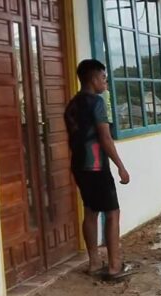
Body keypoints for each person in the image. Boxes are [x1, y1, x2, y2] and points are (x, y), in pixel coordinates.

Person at [64, 59, 133, 281]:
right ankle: (114, 266)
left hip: (79, 165)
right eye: (103, 77)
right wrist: (121, 166)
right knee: (112, 213)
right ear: (93, 78)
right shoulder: (96, 102)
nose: (105, 82)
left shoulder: (72, 105)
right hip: (95, 165)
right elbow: (105, 137)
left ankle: (94, 263)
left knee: (91, 211)